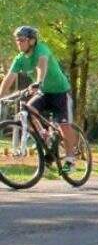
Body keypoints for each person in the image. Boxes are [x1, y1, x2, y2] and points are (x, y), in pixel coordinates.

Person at [0, 26, 77, 172]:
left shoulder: (41, 49)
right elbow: (9, 78)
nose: (19, 43)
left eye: (22, 40)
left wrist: (39, 82)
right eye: (17, 40)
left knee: (64, 125)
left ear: (32, 41)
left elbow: (42, 66)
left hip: (60, 92)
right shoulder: (20, 59)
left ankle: (70, 159)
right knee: (27, 111)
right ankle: (44, 135)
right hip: (43, 92)